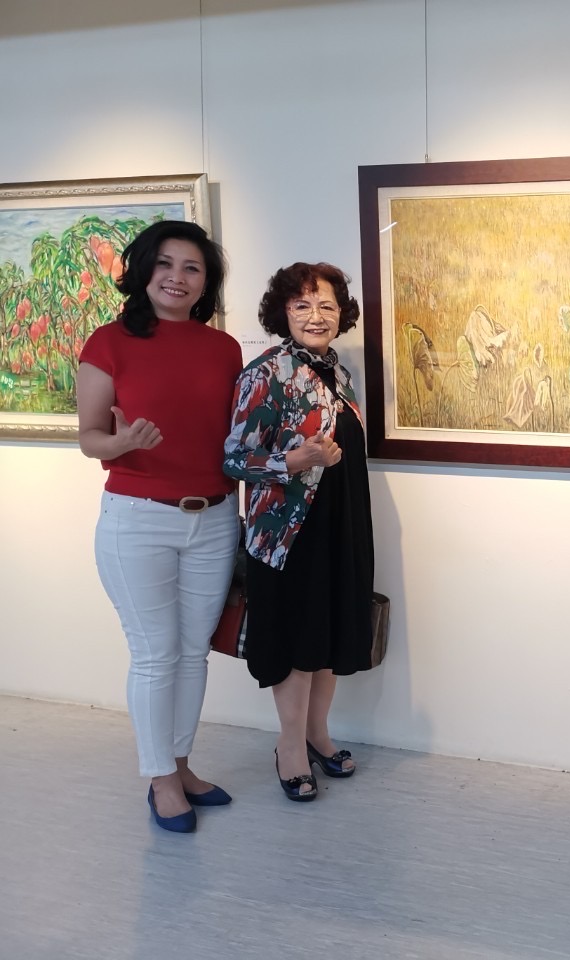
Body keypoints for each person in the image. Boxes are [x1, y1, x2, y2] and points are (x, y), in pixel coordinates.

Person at [77, 219, 242, 833]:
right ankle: (159, 778)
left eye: (192, 267)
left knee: (193, 652)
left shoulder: (223, 348)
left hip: (215, 518)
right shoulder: (108, 342)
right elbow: (90, 437)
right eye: (166, 264)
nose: (178, 277)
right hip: (138, 520)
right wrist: (119, 443)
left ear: (206, 282)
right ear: (144, 270)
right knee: (154, 654)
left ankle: (181, 763)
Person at [223, 262, 374, 802]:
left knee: (329, 635)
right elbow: (234, 459)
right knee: (295, 641)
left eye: (327, 305)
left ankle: (317, 734)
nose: (316, 316)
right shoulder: (265, 373)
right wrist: (295, 460)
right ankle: (289, 748)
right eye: (302, 305)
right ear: (282, 312)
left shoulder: (340, 374)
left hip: (342, 521)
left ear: (341, 314)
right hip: (288, 534)